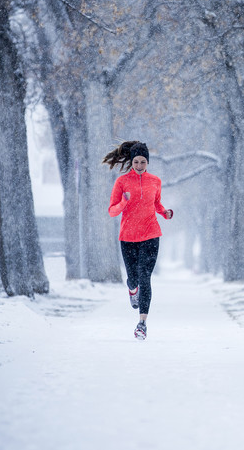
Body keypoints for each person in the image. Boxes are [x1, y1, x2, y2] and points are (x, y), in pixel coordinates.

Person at [103, 141, 173, 340]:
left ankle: (142, 323)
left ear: (148, 162)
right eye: (136, 161)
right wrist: (124, 202)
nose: (140, 165)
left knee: (145, 277)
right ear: (131, 162)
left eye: (143, 162)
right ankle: (131, 288)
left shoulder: (155, 181)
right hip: (128, 237)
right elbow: (112, 210)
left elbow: (156, 203)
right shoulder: (122, 182)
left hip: (151, 235)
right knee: (134, 278)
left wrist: (165, 213)